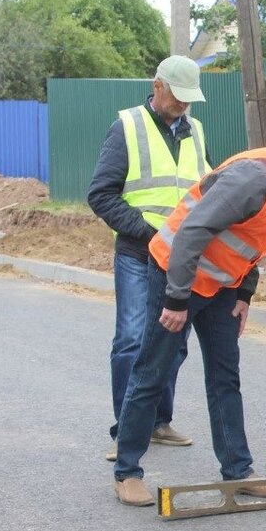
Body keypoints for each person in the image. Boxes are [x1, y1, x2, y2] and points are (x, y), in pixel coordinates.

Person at [112, 120, 266, 506]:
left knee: (225, 376)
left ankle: (238, 470)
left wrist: (244, 294)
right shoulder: (256, 177)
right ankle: (127, 471)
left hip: (221, 287)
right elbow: (192, 231)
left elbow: (253, 240)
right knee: (153, 371)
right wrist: (176, 300)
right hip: (177, 276)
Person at [88, 55, 211, 462]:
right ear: (157, 86)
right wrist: (149, 233)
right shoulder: (127, 126)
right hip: (139, 252)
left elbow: (206, 189)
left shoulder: (196, 131)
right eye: (177, 95)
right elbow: (101, 195)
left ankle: (158, 422)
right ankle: (127, 430)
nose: (183, 104)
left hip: (181, 257)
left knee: (171, 342)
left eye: (189, 97)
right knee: (131, 339)